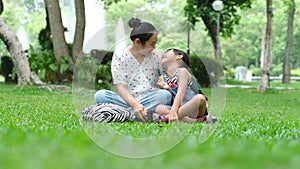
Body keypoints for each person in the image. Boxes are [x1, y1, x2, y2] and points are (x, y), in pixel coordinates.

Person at [94, 17, 172, 122]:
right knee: (100, 95)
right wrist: (135, 105)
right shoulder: (120, 56)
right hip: (128, 100)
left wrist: (167, 86)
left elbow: (171, 78)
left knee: (164, 95)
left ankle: (124, 115)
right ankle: (148, 114)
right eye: (152, 43)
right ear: (138, 41)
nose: (154, 47)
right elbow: (121, 86)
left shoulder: (157, 55)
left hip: (152, 98)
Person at [155, 48, 213, 123]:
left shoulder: (183, 71)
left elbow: (181, 92)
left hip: (195, 109)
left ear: (179, 56)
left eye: (167, 52)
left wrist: (173, 111)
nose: (163, 54)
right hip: (181, 108)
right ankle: (194, 121)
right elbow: (174, 97)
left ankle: (170, 117)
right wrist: (167, 89)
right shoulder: (165, 77)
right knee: (159, 108)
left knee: (200, 98)